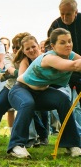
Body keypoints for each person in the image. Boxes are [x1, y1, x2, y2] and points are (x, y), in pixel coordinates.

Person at [7, 28, 81, 158]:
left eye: (69, 41)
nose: (68, 45)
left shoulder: (71, 55)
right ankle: (16, 146)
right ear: (53, 46)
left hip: (41, 93)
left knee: (63, 99)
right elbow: (75, 66)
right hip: (20, 90)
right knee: (27, 103)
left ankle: (72, 144)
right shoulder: (48, 58)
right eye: (62, 42)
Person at [0, 34, 47, 147]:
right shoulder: (9, 57)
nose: (16, 50)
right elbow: (10, 69)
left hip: (27, 89)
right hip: (10, 87)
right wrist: (19, 73)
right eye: (14, 47)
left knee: (30, 109)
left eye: (18, 47)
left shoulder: (29, 57)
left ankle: (41, 136)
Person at [48, 0, 81, 98]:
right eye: (62, 13)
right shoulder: (55, 25)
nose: (64, 17)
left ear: (75, 12)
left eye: (68, 14)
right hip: (64, 68)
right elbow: (51, 49)